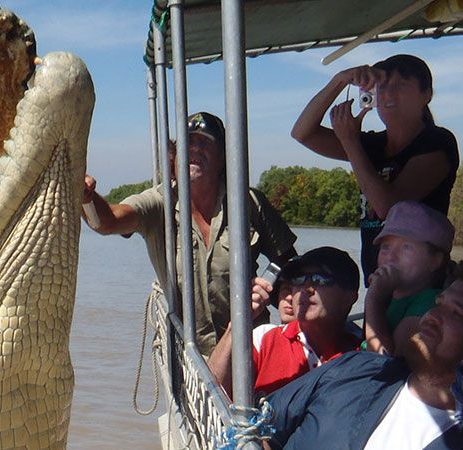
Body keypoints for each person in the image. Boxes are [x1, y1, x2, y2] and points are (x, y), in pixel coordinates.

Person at [83, 112, 297, 356]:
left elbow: (288, 260)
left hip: (250, 346)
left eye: (205, 143)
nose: (195, 149)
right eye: (188, 143)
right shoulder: (159, 203)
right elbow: (106, 221)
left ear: (223, 158)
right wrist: (86, 198)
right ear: (173, 159)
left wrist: (272, 289)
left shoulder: (249, 202)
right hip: (190, 356)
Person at [291, 54, 459, 283]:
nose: (388, 93)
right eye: (382, 86)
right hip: (379, 280)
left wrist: (350, 141)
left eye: (400, 84)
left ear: (426, 95)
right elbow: (302, 133)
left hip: (420, 285)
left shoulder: (437, 141)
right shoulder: (372, 145)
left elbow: (388, 208)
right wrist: (339, 81)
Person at [264, 278, 463, 449]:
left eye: (457, 313)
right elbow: (260, 430)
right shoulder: (355, 369)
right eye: (438, 304)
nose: (432, 316)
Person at [208, 247, 360, 396]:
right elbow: (210, 391)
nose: (305, 288)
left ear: (349, 296)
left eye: (320, 280)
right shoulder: (263, 339)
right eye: (299, 279)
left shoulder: (361, 352)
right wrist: (237, 322)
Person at [365, 200, 455, 355]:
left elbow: (384, 361)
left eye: (406, 247)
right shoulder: (391, 298)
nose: (391, 257)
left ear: (435, 260)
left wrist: (373, 298)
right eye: (385, 247)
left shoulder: (429, 302)